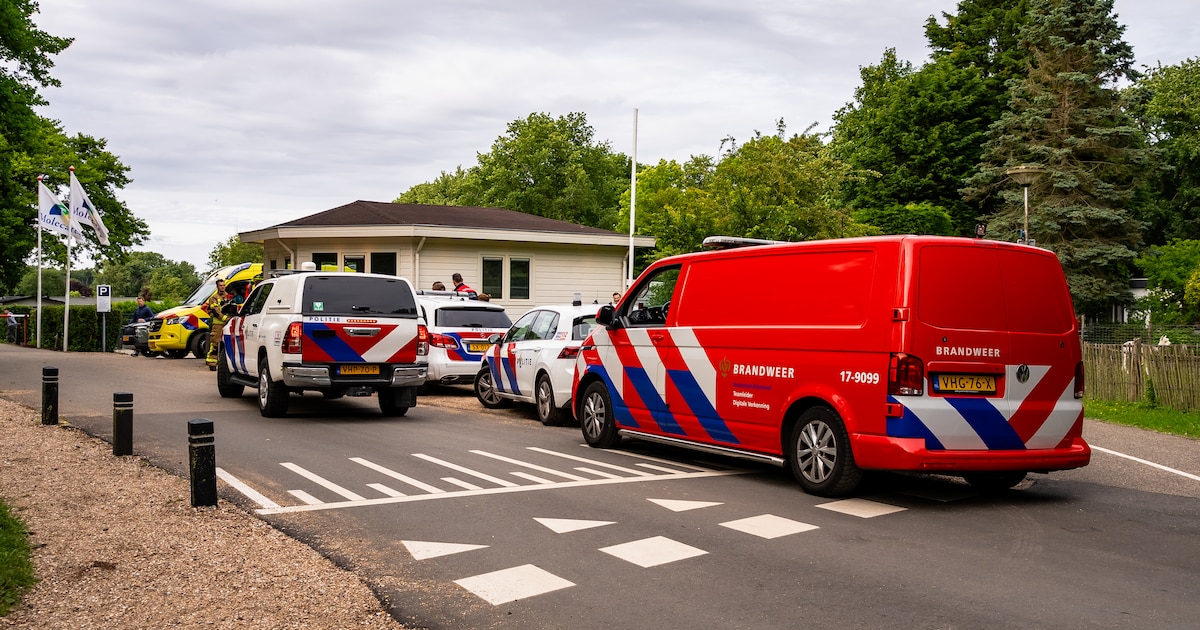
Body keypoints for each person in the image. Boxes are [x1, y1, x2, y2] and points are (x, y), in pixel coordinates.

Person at [201, 278, 234, 371]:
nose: (222, 287)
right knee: (215, 343)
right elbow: (215, 311)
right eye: (221, 285)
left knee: (229, 343)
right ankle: (212, 363)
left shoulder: (229, 297)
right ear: (217, 286)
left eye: (223, 285)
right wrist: (224, 318)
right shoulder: (214, 298)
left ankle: (227, 364)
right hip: (218, 324)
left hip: (229, 322)